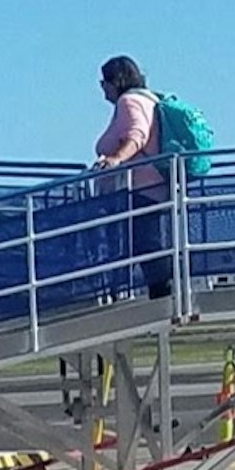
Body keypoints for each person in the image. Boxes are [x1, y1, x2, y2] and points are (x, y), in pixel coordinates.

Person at [94, 55, 170, 299]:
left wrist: (116, 158)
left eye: (103, 82)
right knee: (146, 242)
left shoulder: (129, 102)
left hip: (141, 187)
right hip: (154, 186)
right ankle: (160, 291)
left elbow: (136, 135)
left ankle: (162, 294)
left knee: (145, 242)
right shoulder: (148, 99)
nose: (103, 89)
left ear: (115, 81)